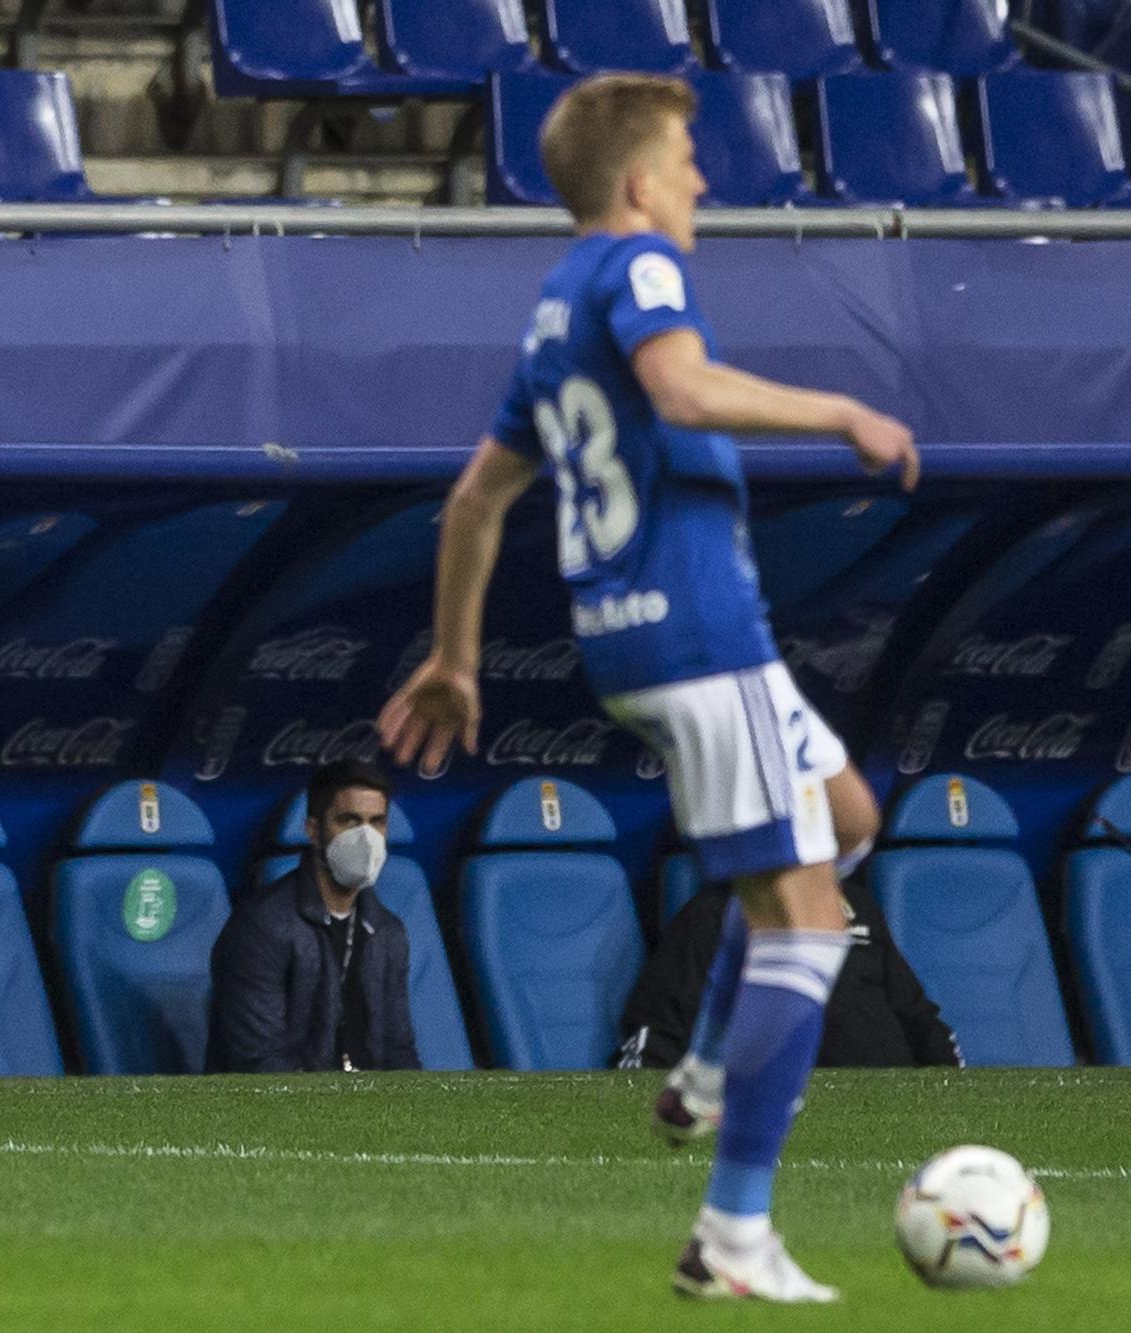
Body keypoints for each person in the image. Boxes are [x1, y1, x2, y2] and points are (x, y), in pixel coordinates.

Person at [376, 74, 918, 1302]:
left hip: (657, 642)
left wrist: (456, 660)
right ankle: (733, 1232)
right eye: (683, 160)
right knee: (810, 925)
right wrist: (842, 411)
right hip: (697, 637)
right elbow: (680, 389)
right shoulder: (637, 273)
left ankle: (710, 1070)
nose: (700, 181)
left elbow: (473, 501)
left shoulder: (552, 309)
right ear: (633, 184)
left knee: (846, 821)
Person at [207, 760, 420, 1074]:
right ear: (313, 830)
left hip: (367, 1111)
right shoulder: (262, 926)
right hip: (276, 1113)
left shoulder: (388, 931)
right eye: (348, 821)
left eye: (377, 822)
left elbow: (398, 1051)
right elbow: (259, 1061)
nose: (366, 837)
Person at [618, 880, 961, 1071]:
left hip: (898, 1104)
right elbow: (659, 1032)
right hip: (791, 1113)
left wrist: (954, 1091)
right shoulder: (712, 916)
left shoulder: (854, 903)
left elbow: (917, 1015)